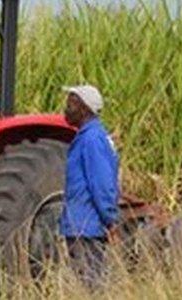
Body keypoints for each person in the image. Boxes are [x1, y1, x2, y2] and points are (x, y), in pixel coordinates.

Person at [59, 85, 120, 290]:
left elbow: (102, 184)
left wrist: (110, 220)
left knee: (89, 287)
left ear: (85, 110)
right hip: (80, 226)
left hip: (88, 227)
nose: (66, 109)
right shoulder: (86, 137)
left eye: (71, 104)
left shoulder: (93, 139)